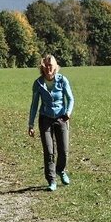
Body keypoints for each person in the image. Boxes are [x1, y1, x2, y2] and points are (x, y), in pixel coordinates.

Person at [28, 54, 74, 191]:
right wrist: (30, 124)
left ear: (55, 67)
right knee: (49, 151)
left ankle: (61, 170)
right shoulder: (38, 83)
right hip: (45, 119)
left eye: (51, 66)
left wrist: (68, 112)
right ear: (43, 67)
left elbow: (70, 99)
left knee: (64, 150)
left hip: (61, 118)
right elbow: (34, 105)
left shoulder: (62, 80)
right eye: (46, 66)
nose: (49, 68)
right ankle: (51, 180)